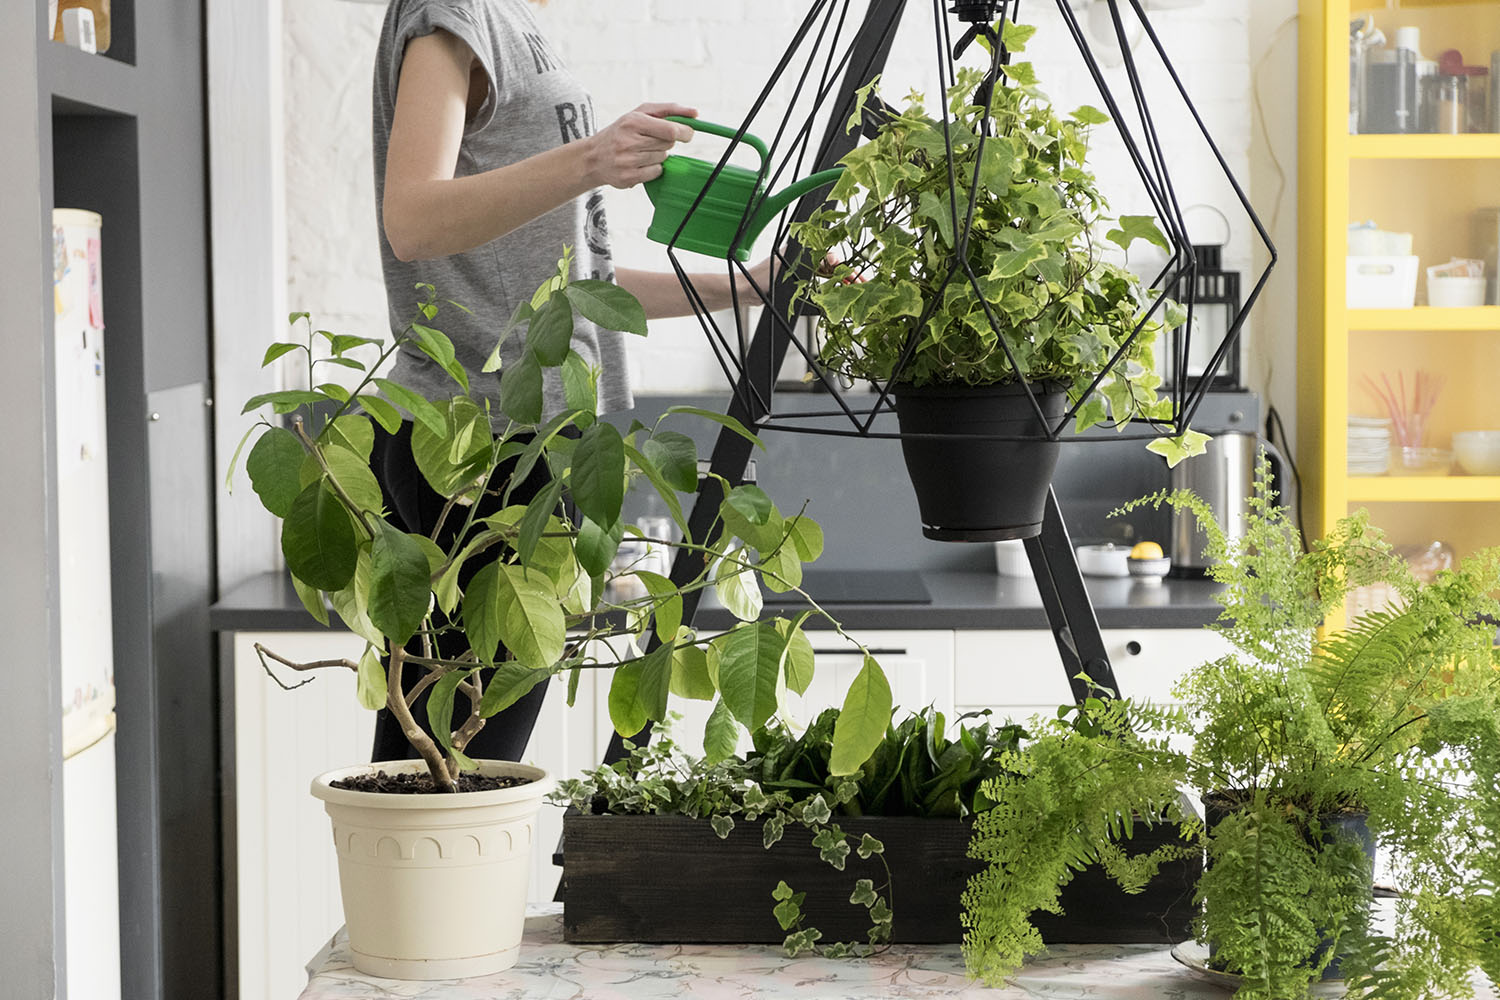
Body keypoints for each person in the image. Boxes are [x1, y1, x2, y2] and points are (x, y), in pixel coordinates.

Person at [368, 0, 770, 763]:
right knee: (448, 775)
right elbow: (412, 220)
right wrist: (592, 157)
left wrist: (747, 285)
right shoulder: (453, 12)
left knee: (463, 769)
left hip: (541, 441)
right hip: (481, 447)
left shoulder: (510, 19)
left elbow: (582, 285)